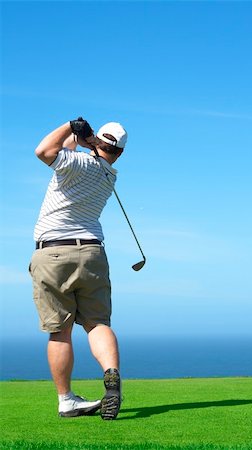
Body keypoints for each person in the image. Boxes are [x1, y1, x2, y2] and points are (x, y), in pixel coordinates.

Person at [29, 117, 127, 420]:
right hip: (93, 253)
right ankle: (111, 375)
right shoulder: (109, 174)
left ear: (99, 141)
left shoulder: (76, 164)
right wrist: (86, 139)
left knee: (60, 332)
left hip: (54, 252)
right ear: (120, 151)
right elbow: (71, 150)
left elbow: (44, 151)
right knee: (97, 324)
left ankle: (66, 400)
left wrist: (71, 126)